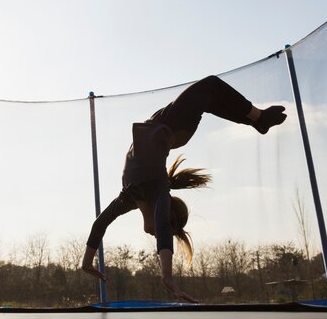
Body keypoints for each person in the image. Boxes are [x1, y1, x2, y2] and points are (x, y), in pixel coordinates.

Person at [81, 75, 287, 302]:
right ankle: (259, 118)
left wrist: (87, 261)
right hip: (171, 125)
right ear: (169, 219)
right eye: (166, 229)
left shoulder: (128, 198)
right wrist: (167, 276)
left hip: (166, 127)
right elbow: (161, 225)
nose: (154, 233)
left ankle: (257, 121)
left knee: (210, 97)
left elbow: (100, 223)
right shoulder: (158, 188)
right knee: (210, 87)